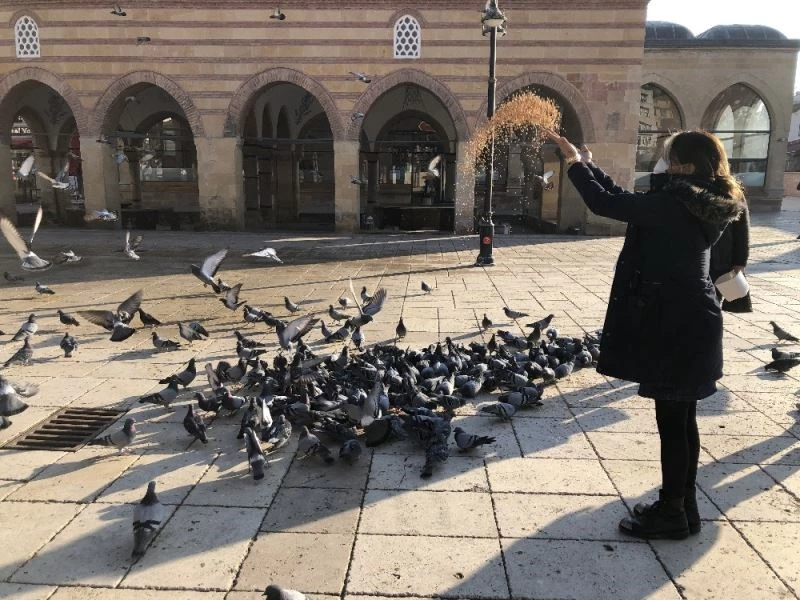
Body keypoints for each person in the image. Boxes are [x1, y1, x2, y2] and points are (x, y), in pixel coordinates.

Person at [546, 128, 746, 540]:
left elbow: (606, 204)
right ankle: (683, 506)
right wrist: (588, 164)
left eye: (671, 158)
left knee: (673, 424)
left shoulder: (676, 205)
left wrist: (573, 163)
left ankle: (673, 512)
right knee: (683, 421)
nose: (664, 164)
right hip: (693, 323)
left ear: (687, 167)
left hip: (676, 326)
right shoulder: (698, 201)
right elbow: (628, 202)